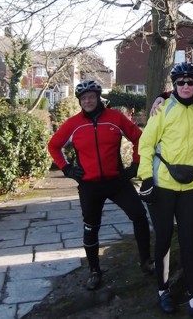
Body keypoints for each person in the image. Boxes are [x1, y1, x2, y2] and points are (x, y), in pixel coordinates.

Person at [47, 79, 153, 291]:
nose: (88, 101)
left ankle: (146, 261)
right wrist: (67, 168)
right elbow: (53, 145)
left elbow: (139, 138)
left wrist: (135, 164)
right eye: (84, 98)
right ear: (80, 101)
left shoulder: (115, 118)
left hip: (117, 181)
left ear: (98, 98)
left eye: (91, 97)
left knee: (139, 216)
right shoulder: (73, 124)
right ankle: (94, 271)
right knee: (91, 227)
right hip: (89, 185)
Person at [138, 62, 193, 318]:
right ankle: (162, 291)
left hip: (190, 187)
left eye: (190, 82)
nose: (185, 86)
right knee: (163, 239)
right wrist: (146, 179)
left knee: (189, 243)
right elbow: (145, 145)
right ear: (174, 85)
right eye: (180, 82)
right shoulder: (162, 110)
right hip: (162, 186)